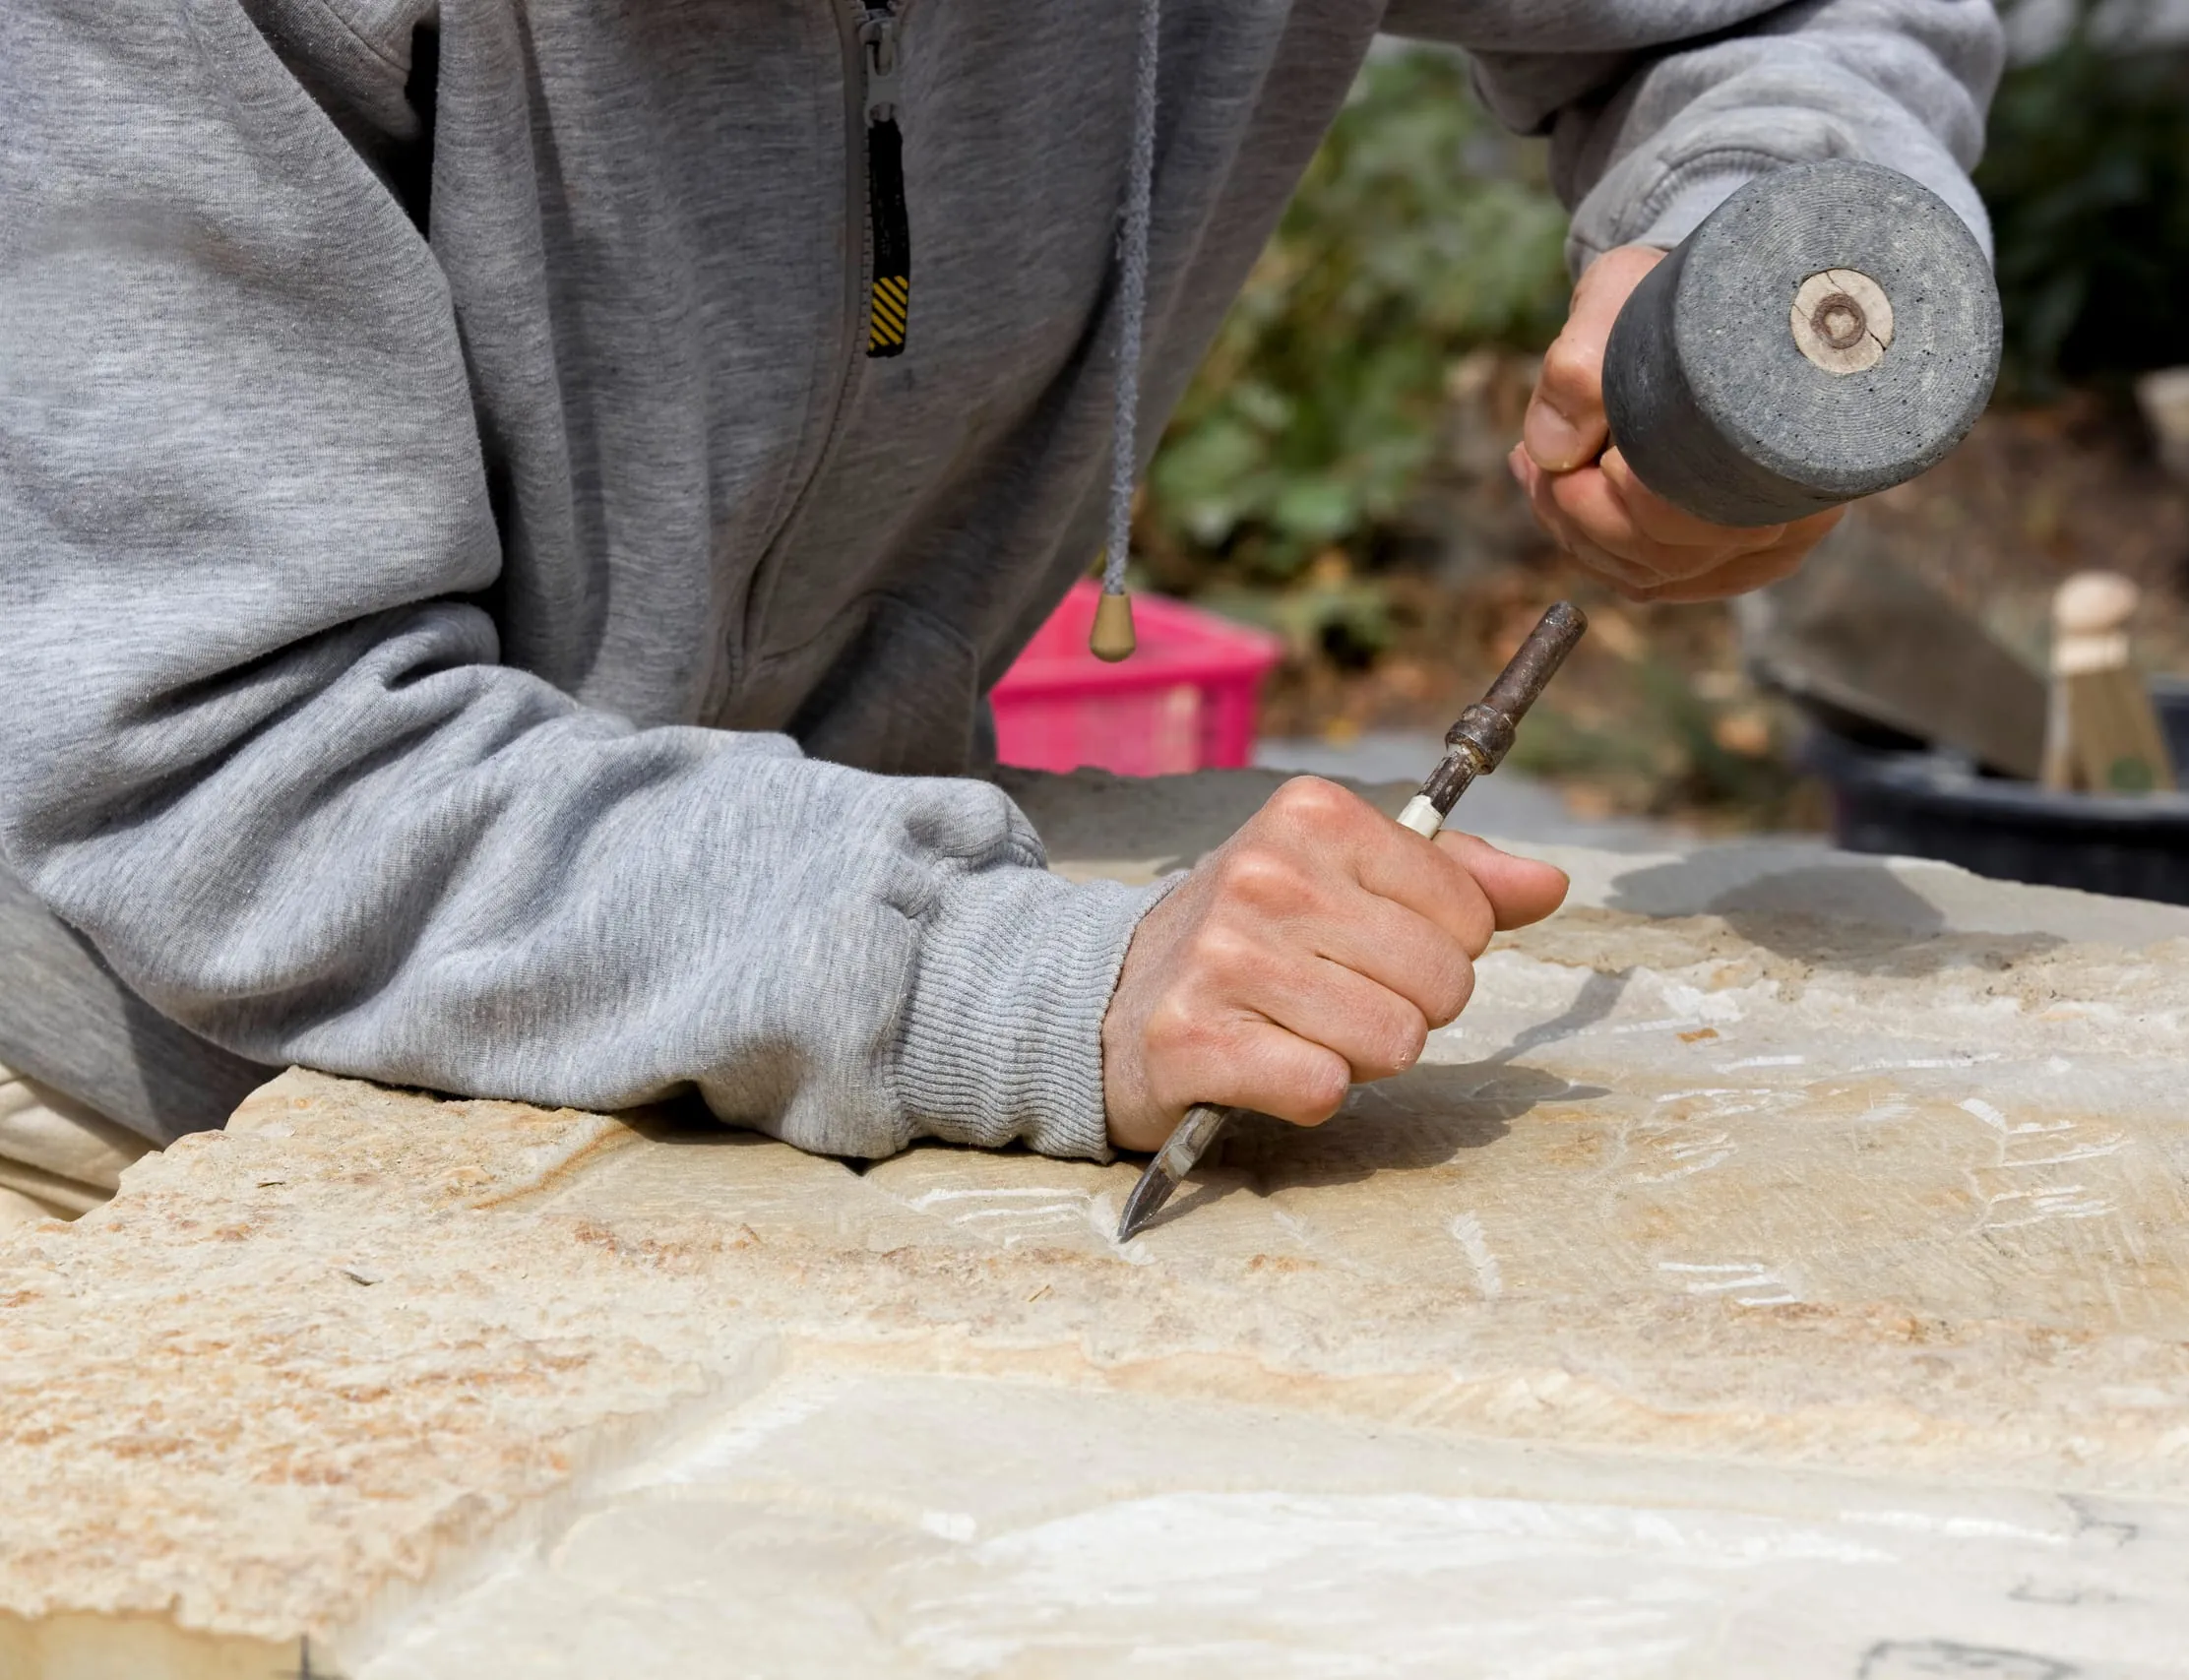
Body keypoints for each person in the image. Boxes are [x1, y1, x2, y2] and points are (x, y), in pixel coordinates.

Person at [0, 0, 2000, 1221]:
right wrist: (1019, 979)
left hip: (736, 1028)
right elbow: (229, 757)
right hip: (131, 1102)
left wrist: (1755, 242)